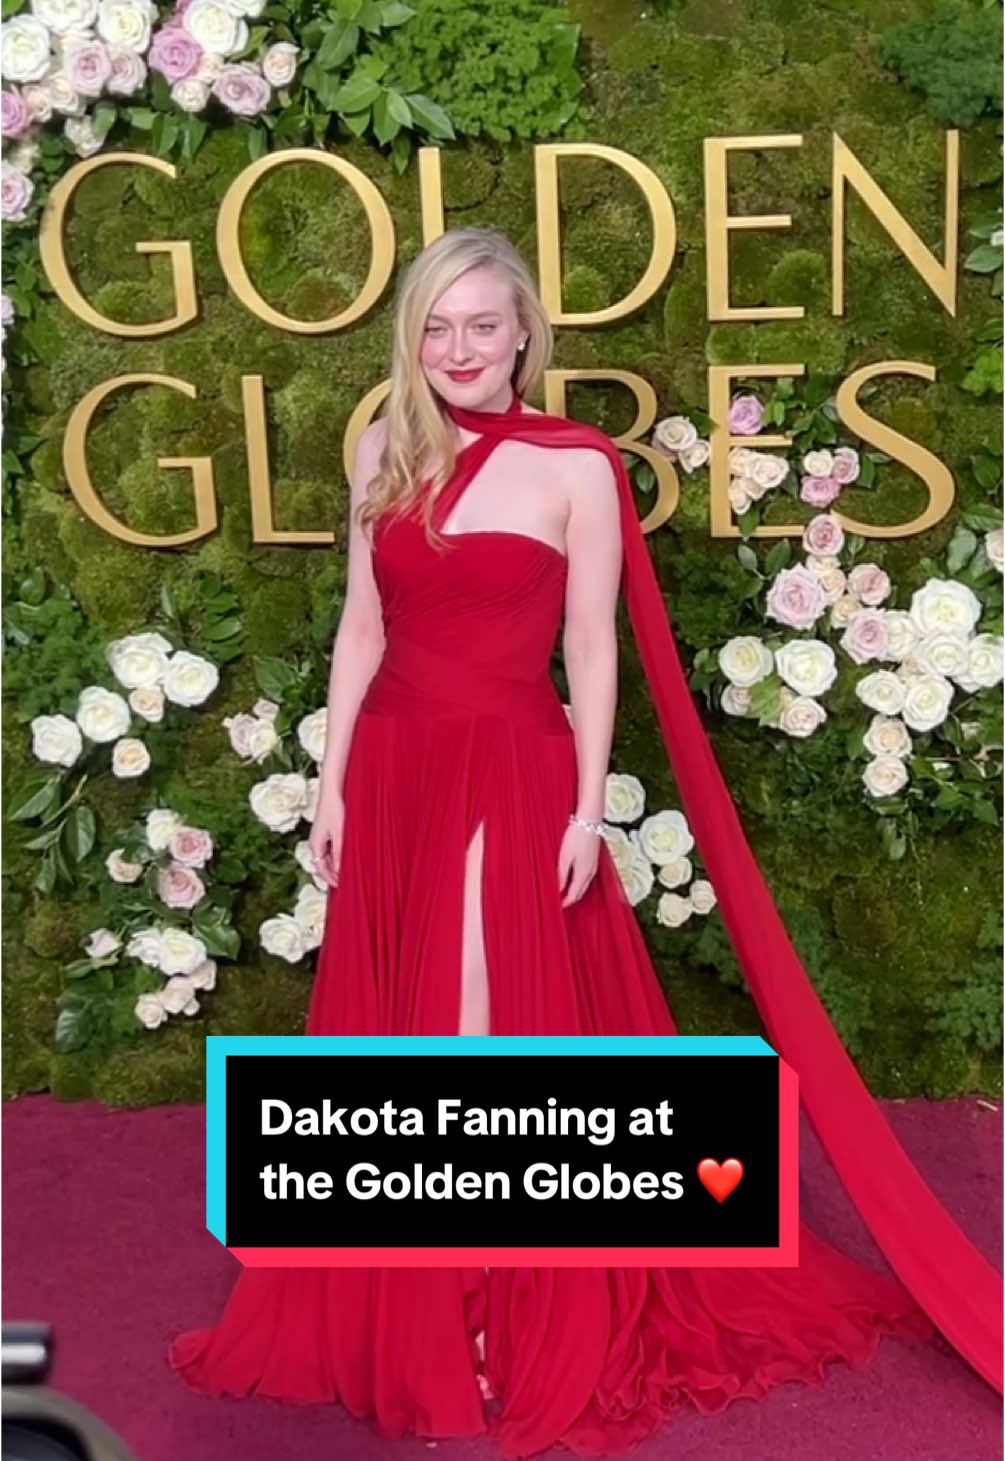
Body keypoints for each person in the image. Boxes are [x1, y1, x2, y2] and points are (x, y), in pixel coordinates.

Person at [169, 227, 1000, 1456]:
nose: (460, 348)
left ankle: (500, 1298)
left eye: (483, 325)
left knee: (477, 1020)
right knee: (401, 1027)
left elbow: (594, 645)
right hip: (395, 764)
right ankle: (429, 1288)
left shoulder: (577, 465)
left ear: (524, 335)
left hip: (509, 765)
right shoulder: (379, 444)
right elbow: (358, 628)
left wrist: (582, 802)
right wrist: (332, 781)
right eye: (437, 326)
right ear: (414, 335)